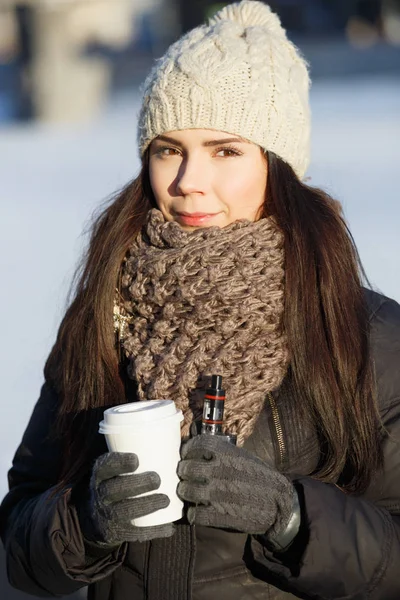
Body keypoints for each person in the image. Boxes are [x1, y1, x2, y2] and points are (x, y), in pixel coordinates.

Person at [1, 2, 400, 599]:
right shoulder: (103, 316)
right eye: (167, 148)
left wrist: (290, 519)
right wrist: (85, 523)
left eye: (225, 150)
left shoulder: (364, 330)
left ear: (278, 165)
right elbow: (18, 541)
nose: (188, 180)